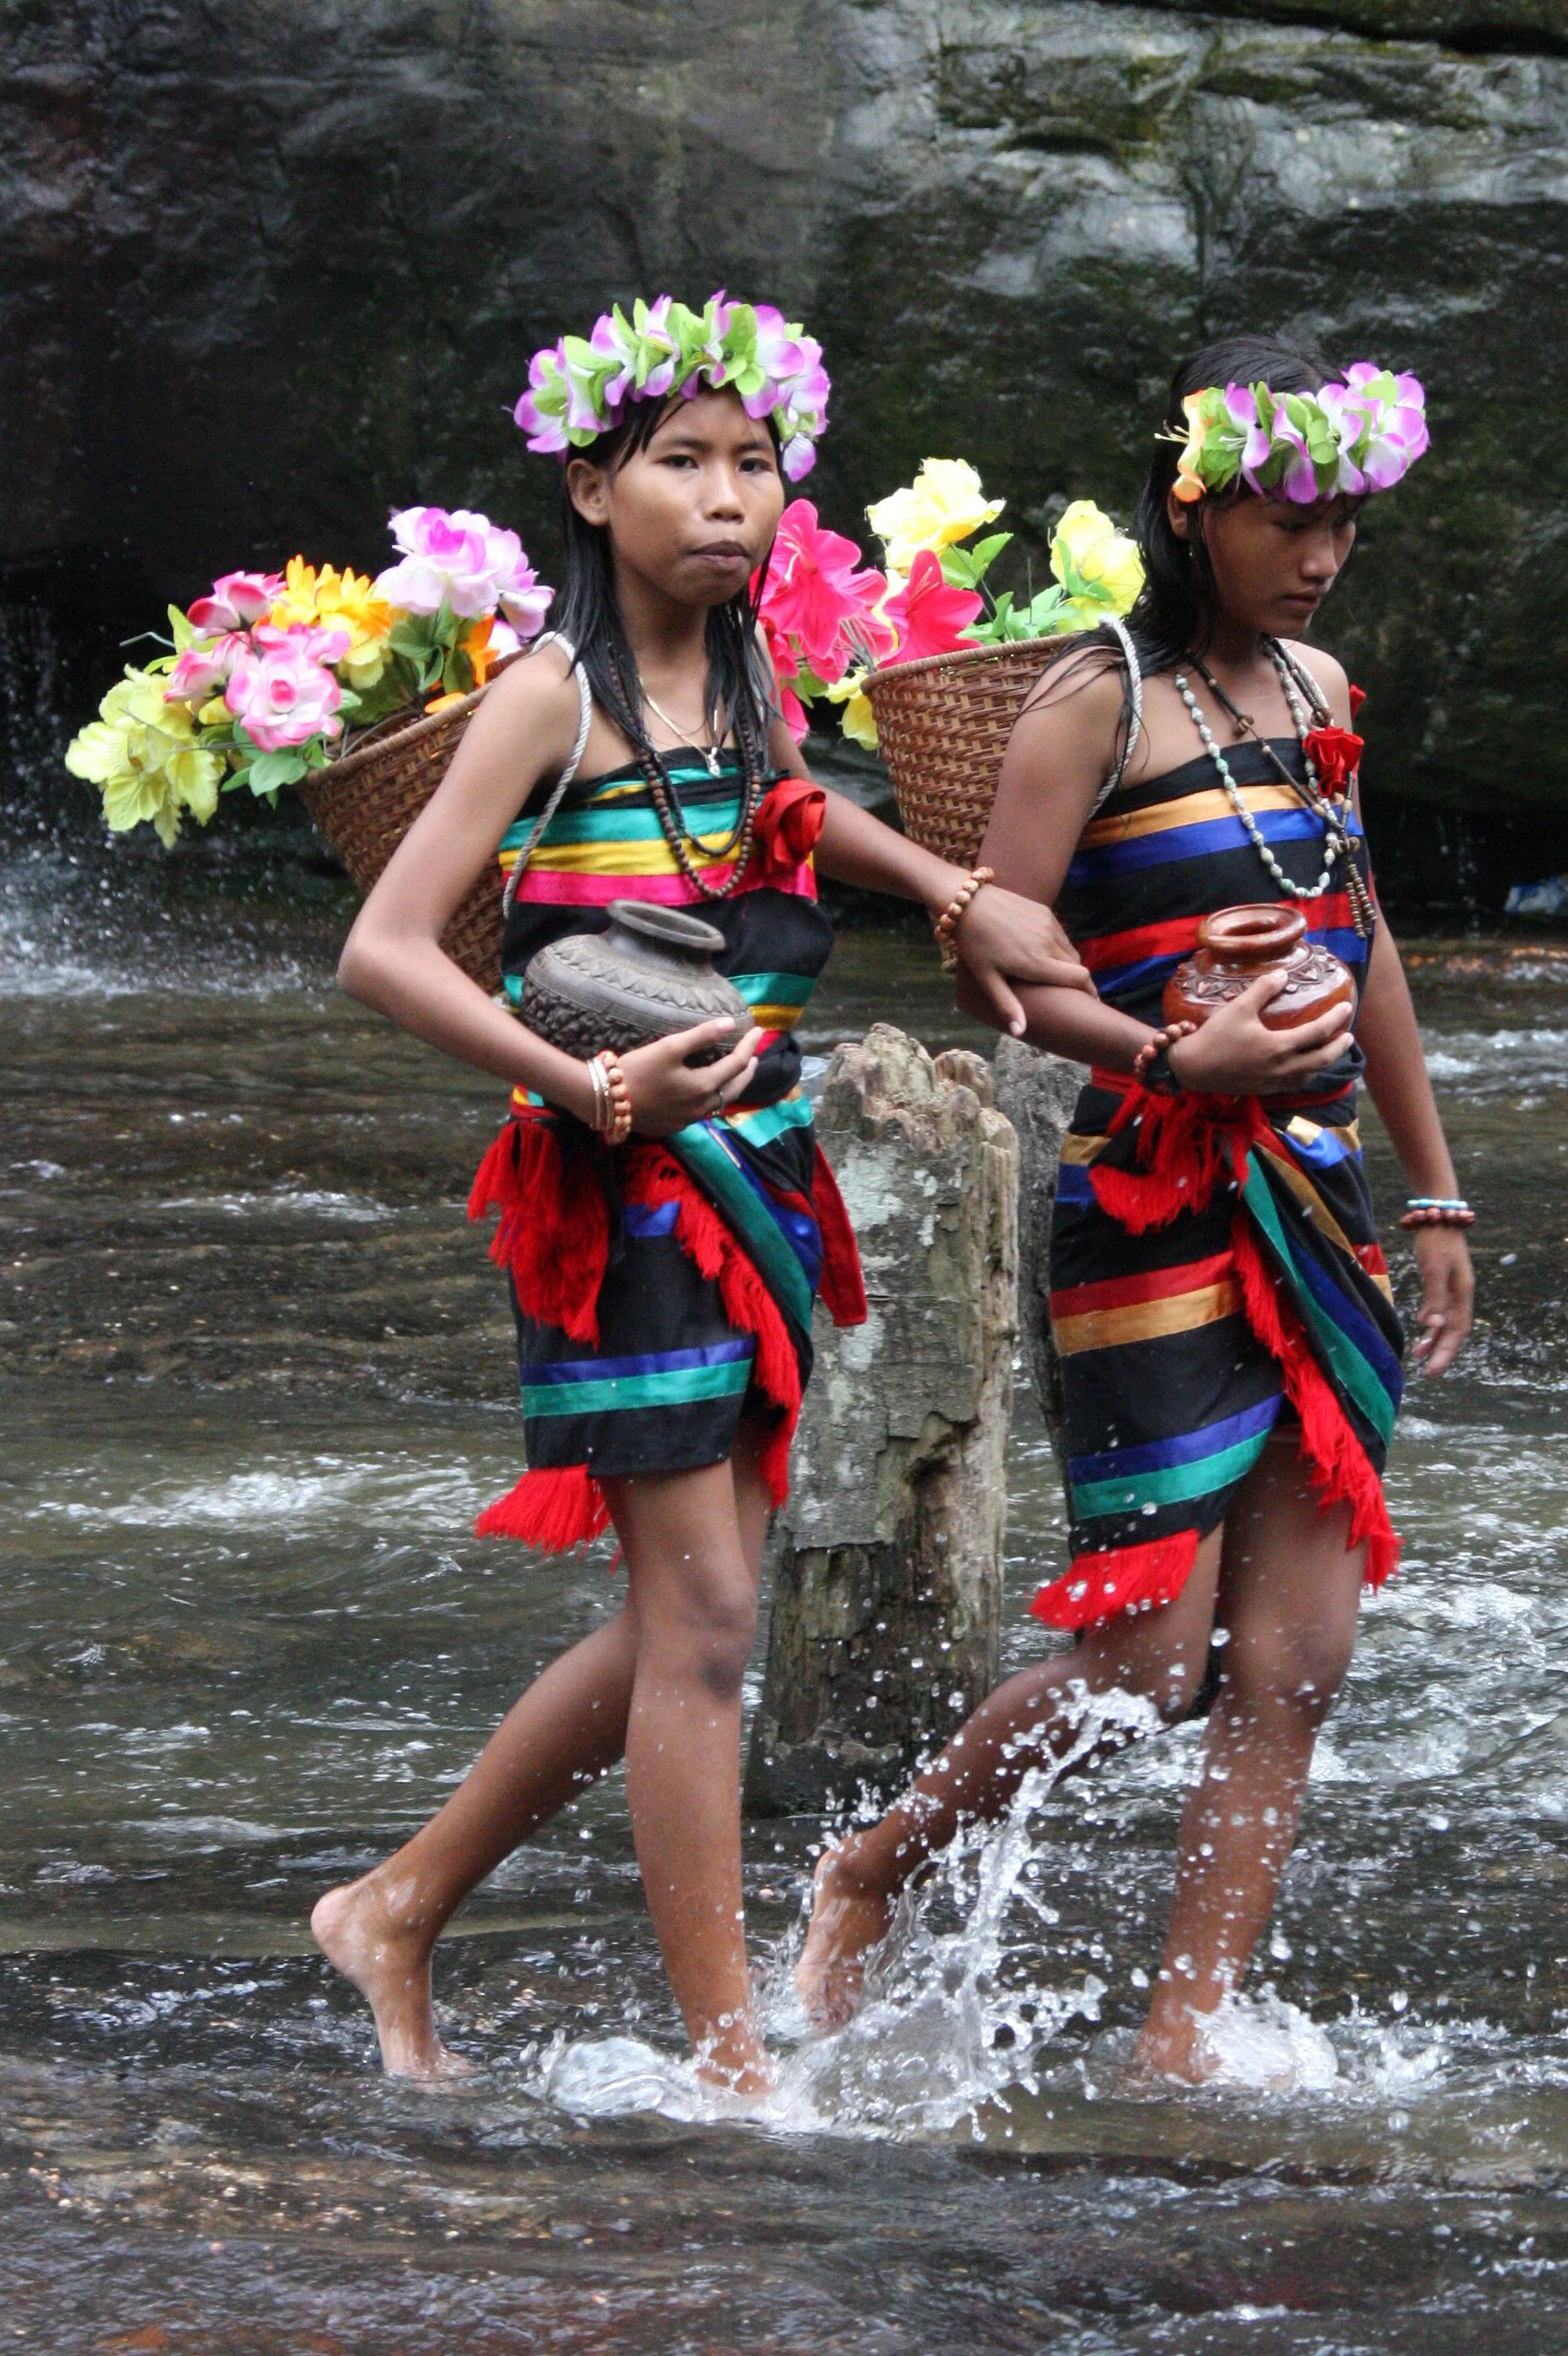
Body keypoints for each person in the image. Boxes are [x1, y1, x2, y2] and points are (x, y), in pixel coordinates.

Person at [310, 294, 1092, 2093]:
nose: (726, 497)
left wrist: (957, 897)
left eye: (754, 463)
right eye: (681, 461)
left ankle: (400, 1903)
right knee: (712, 1625)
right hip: (622, 1194)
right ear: (591, 487)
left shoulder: (742, 685)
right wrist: (590, 1080)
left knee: (695, 1610)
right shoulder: (549, 696)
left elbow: (800, 805)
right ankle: (734, 2061)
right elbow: (385, 947)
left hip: (751, 1188)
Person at [797, 335, 1475, 2083]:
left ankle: (1185, 2036)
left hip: (1314, 1200)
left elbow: (1362, 930)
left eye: (1341, 519)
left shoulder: (1317, 685)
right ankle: (874, 1863)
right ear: (1196, 505)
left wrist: (1441, 1189)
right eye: (1283, 516)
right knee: (1149, 1661)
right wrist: (1191, 1064)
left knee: (1300, 1652)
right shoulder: (1097, 696)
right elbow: (993, 971)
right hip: (1148, 1196)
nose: (1319, 554)